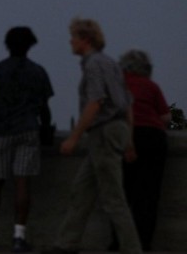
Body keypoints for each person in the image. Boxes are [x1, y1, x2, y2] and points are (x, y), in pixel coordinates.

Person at [43, 18, 142, 254]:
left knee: (113, 198)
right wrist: (128, 140)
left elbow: (95, 102)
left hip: (103, 132)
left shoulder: (94, 65)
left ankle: (132, 249)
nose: (71, 41)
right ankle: (66, 244)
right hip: (114, 131)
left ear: (85, 40)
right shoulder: (111, 64)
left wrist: (74, 137)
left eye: (74, 37)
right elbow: (127, 104)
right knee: (82, 191)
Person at [0, 27, 54, 253]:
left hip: (0, 131)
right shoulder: (38, 72)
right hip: (28, 130)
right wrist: (45, 129)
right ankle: (19, 236)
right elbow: (44, 109)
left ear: (7, 45)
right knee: (22, 182)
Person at [110, 50, 170, 251]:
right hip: (153, 138)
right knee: (148, 196)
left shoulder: (117, 85)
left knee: (121, 194)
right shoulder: (152, 86)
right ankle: (143, 244)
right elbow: (167, 117)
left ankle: (118, 242)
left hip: (123, 136)